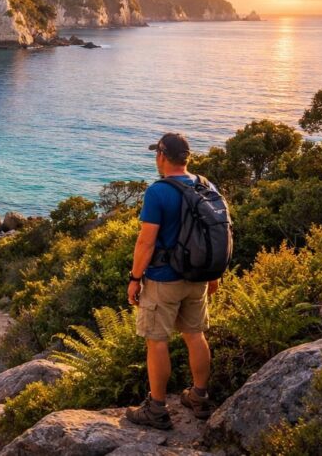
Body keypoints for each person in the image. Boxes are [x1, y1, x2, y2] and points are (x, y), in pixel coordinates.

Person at [125, 133, 219, 430]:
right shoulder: (207, 185)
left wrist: (134, 278)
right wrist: (215, 273)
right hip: (200, 277)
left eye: (157, 154)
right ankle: (200, 397)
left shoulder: (158, 191)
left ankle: (156, 408)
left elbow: (146, 242)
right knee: (195, 335)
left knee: (157, 342)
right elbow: (216, 233)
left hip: (164, 279)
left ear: (162, 156)